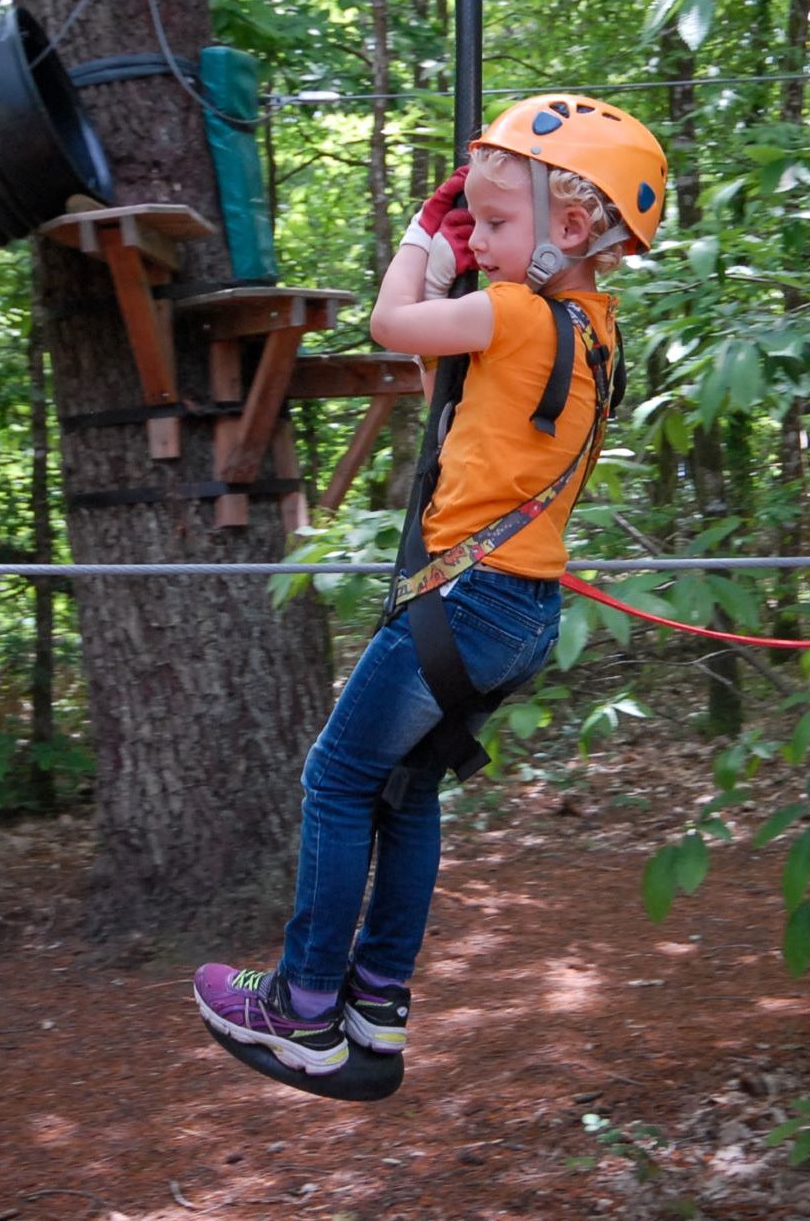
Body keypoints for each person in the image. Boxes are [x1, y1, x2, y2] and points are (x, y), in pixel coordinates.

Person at [194, 95, 668, 1075]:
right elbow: (449, 388)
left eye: (495, 224)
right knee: (405, 793)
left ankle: (304, 1005)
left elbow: (388, 323)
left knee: (334, 779)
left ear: (571, 229)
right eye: (471, 224)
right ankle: (376, 1008)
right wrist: (471, 253)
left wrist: (422, 236)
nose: (477, 238)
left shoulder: (512, 309)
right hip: (521, 612)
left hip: (467, 600)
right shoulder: (594, 331)